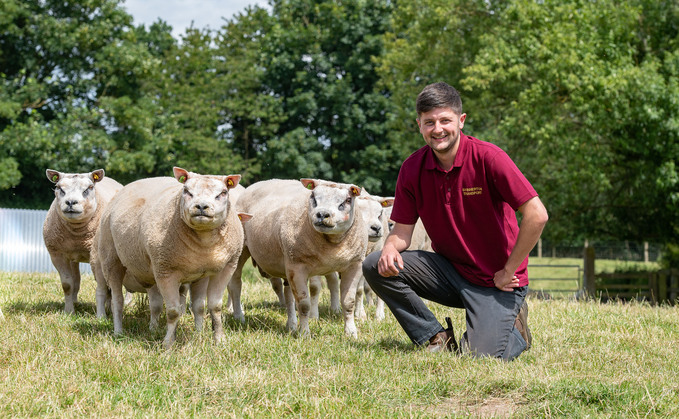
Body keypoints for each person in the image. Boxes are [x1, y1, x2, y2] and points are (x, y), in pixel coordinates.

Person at [362, 82, 548, 361]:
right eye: (429, 122)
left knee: (479, 358)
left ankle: (515, 325)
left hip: (498, 280)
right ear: (419, 125)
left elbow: (537, 214)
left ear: (461, 120)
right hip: (451, 272)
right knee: (374, 264)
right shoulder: (412, 168)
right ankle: (433, 336)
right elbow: (402, 231)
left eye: (445, 120)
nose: (437, 129)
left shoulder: (489, 157)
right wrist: (389, 248)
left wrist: (510, 269)